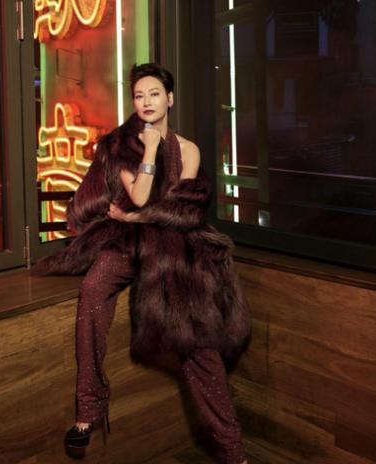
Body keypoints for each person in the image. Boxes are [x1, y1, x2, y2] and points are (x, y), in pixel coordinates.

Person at [32, 63, 251, 464]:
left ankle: (234, 451)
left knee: (195, 339)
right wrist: (149, 151)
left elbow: (181, 213)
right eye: (138, 95)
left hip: (172, 248)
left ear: (170, 98)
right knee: (93, 290)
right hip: (127, 243)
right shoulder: (122, 145)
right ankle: (89, 408)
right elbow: (140, 195)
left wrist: (137, 217)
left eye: (154, 94)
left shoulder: (189, 150)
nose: (146, 102)